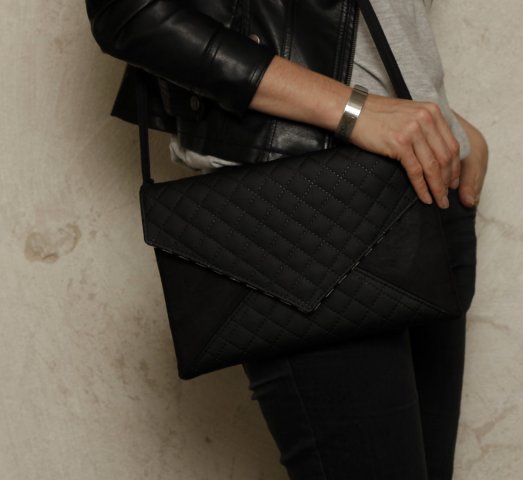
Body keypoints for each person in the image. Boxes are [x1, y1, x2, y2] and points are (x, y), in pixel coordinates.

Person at [86, 0, 488, 478]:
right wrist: (353, 110)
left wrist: (443, 116)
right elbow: (129, 12)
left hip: (425, 190)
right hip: (301, 213)